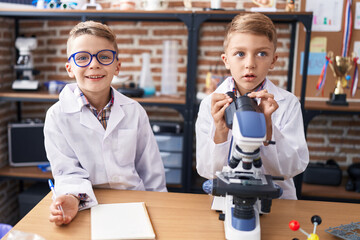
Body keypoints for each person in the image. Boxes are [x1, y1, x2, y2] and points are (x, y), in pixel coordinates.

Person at [44, 21, 167, 226]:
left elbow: (151, 170)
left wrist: (161, 207)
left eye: (104, 57)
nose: (94, 64)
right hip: (87, 205)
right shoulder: (57, 116)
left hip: (135, 201)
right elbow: (68, 172)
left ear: (117, 66)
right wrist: (73, 199)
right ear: (70, 68)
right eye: (82, 57)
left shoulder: (134, 111)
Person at [195, 12, 309, 200]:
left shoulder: (288, 103)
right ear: (226, 61)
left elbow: (293, 168)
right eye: (240, 54)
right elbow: (208, 171)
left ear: (273, 60)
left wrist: (268, 127)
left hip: (278, 202)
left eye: (261, 53)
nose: (250, 64)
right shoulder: (210, 104)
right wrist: (221, 132)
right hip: (226, 199)